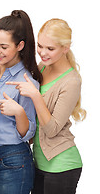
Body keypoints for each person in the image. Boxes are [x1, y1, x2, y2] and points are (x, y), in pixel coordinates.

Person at [7, 18, 86, 194]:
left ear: (65, 48)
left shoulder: (71, 81)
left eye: (50, 49)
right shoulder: (43, 68)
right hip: (38, 162)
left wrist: (35, 95)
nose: (43, 52)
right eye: (40, 46)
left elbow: (52, 129)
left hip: (62, 166)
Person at [0, 10, 41, 194]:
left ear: (20, 45)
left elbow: (28, 133)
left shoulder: (27, 82)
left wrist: (18, 111)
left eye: (3, 46)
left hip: (13, 158)